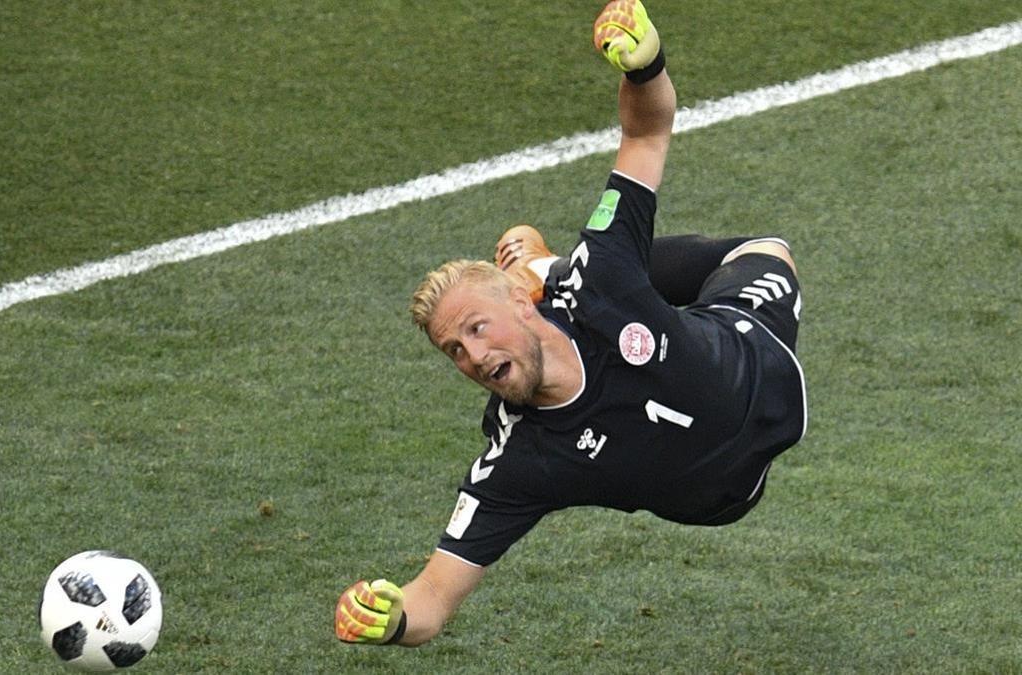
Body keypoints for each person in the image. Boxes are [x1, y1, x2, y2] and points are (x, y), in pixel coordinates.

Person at [335, 0, 807, 647]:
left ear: (518, 304)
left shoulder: (604, 273)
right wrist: (390, 618)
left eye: (476, 327)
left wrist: (646, 66)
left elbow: (644, 134)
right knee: (624, 280)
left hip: (758, 364)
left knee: (764, 251)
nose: (471, 356)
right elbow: (433, 597)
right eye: (454, 351)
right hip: (721, 498)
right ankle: (538, 262)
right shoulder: (520, 456)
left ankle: (541, 264)